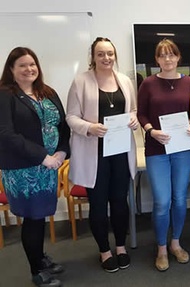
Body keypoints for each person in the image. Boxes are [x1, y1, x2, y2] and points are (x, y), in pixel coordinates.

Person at [66, 37, 139, 272]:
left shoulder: (126, 81)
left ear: (115, 55)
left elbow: (134, 110)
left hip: (119, 152)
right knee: (98, 205)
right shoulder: (80, 82)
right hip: (93, 153)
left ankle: (120, 246)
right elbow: (71, 117)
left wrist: (134, 119)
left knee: (120, 202)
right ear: (93, 57)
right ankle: (104, 251)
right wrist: (89, 127)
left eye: (110, 53)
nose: (106, 58)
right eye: (100, 54)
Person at [0, 47, 70, 287]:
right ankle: (36, 270)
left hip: (49, 167)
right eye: (22, 65)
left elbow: (64, 124)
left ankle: (40, 258)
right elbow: (6, 134)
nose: (29, 69)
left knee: (40, 217)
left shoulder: (47, 91)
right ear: (11, 69)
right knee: (32, 218)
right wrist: (43, 156)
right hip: (23, 169)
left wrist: (61, 150)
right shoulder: (5, 95)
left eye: (32, 64)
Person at [137, 39, 190, 271]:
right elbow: (141, 114)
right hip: (156, 150)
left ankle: (175, 243)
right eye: (163, 55)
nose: (168, 59)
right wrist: (152, 130)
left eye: (172, 55)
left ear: (178, 57)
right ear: (157, 60)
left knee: (180, 198)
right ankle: (161, 248)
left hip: (183, 149)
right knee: (162, 201)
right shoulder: (148, 84)